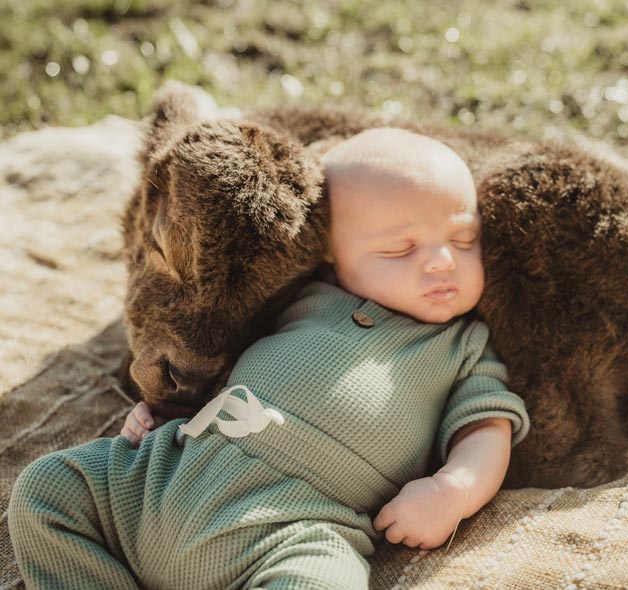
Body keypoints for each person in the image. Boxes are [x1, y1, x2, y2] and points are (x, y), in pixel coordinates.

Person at [9, 128, 530, 590]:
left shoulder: (463, 346)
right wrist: (163, 414)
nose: (443, 260)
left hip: (294, 526)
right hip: (164, 478)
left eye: (464, 239)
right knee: (46, 487)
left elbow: (485, 430)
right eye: (401, 249)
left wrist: (452, 490)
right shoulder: (299, 298)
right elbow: (216, 358)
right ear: (330, 250)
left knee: (325, 579)